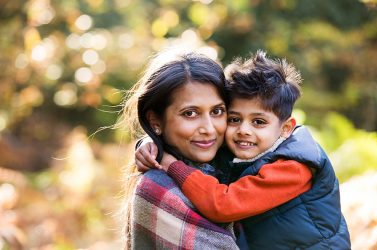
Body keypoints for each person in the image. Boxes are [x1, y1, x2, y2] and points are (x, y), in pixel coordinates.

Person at [137, 51, 351, 249]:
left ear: (286, 128)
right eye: (234, 118)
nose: (243, 131)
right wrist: (151, 142)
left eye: (258, 121)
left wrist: (171, 164)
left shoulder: (294, 167)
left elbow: (223, 204)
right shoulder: (247, 149)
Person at [121, 49, 241, 249]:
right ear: (155, 121)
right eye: (190, 113)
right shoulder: (158, 189)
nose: (209, 129)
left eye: (217, 111)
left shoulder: (234, 163)